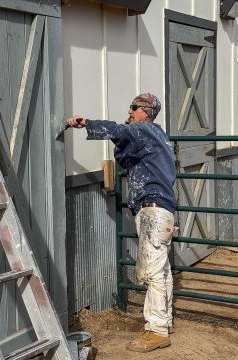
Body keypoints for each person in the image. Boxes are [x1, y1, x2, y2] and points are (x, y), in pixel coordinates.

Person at [67, 93, 176, 353]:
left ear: (145, 112)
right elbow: (125, 154)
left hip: (153, 211)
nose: (129, 111)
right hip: (160, 211)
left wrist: (86, 123)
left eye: (134, 108)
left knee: (151, 271)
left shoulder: (145, 129)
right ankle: (164, 321)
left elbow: (118, 131)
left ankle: (157, 331)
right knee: (162, 271)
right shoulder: (155, 136)